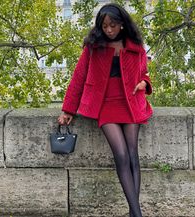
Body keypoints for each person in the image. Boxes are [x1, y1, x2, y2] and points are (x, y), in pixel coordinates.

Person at [58, 3, 153, 217]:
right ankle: (137, 214)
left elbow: (144, 74)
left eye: (112, 25)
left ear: (121, 24)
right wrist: (68, 109)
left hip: (130, 102)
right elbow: (79, 78)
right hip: (105, 105)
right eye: (104, 26)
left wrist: (144, 84)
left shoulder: (135, 45)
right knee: (120, 155)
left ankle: (133, 213)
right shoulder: (93, 46)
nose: (109, 30)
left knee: (132, 156)